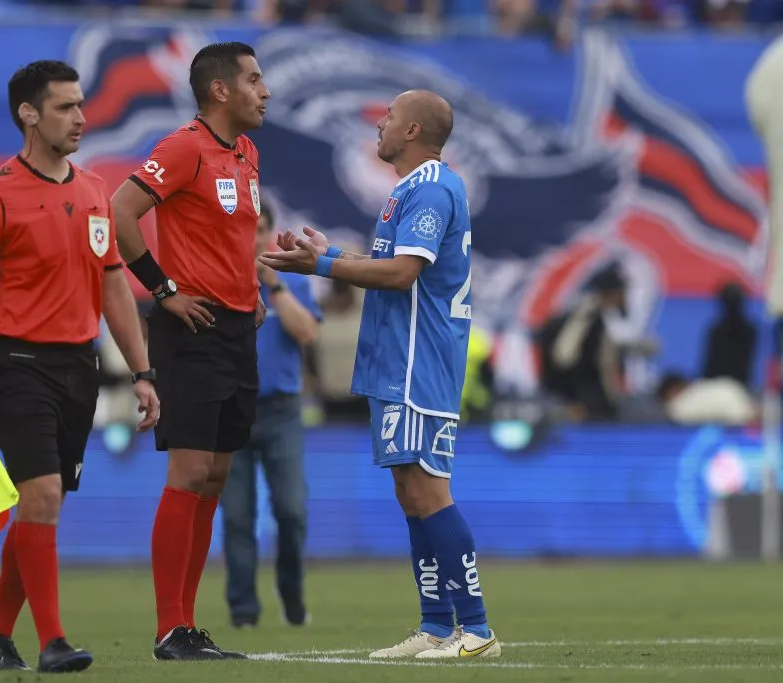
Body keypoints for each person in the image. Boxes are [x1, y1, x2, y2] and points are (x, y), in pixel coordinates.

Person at [260, 89, 501, 659]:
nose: (380, 125)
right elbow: (391, 264)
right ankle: (437, 626)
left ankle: (478, 628)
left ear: (413, 131)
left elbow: (400, 275)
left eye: (389, 117)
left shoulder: (434, 187)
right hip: (396, 358)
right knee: (409, 492)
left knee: (429, 490)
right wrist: (333, 250)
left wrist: (321, 264)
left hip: (421, 358)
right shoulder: (410, 190)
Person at [0, 60, 159, 673]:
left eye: (82, 105)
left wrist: (143, 372)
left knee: (45, 504)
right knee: (39, 496)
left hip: (79, 368)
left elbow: (115, 288)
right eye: (66, 107)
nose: (82, 118)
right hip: (15, 363)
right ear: (28, 115)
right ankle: (54, 642)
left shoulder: (95, 191)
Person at [110, 41, 270, 661]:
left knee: (216, 475)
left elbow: (230, 235)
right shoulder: (183, 147)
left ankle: (187, 625)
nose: (266, 90)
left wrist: (251, 286)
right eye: (255, 80)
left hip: (236, 328)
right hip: (192, 327)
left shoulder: (248, 152)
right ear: (220, 91)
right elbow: (122, 213)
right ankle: (169, 628)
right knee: (188, 472)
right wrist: (163, 289)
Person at [221, 201, 321, 629]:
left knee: (292, 510)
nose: (256, 238)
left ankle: (292, 597)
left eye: (261, 229)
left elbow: (308, 333)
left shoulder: (291, 284)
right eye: (248, 229)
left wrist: (274, 285)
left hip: (281, 412)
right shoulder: (222, 280)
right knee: (238, 517)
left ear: (269, 231)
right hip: (232, 410)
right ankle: (244, 610)